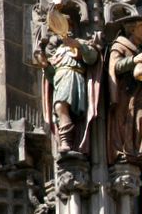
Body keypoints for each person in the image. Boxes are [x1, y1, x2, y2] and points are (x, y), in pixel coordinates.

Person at [35, 9, 100, 155]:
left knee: (60, 107)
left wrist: (78, 45)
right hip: (60, 79)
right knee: (60, 110)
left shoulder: (79, 43)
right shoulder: (58, 51)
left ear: (70, 26)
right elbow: (52, 77)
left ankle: (66, 141)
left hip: (72, 76)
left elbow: (92, 58)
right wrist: (46, 65)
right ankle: (67, 141)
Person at [107, 14, 142, 165]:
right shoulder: (119, 46)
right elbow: (115, 67)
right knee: (127, 121)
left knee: (141, 118)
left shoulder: (140, 50)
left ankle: (137, 149)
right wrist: (133, 60)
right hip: (125, 94)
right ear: (132, 29)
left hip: (137, 94)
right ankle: (126, 151)